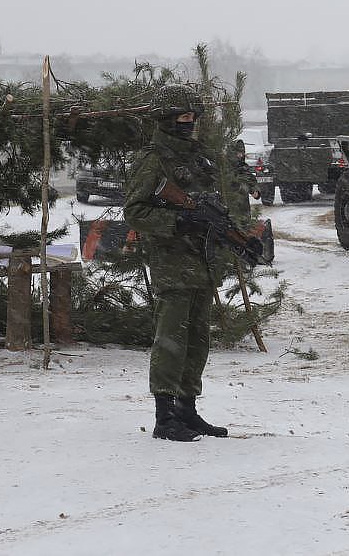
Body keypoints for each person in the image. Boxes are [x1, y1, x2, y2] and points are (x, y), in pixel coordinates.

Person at [124, 84, 229, 441]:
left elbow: (213, 205)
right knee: (171, 340)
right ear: (167, 119)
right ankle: (164, 416)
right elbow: (135, 211)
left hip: (201, 261)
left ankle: (188, 409)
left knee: (197, 340)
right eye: (183, 117)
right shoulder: (155, 159)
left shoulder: (198, 158)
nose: (189, 123)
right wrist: (176, 223)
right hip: (172, 262)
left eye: (192, 117)